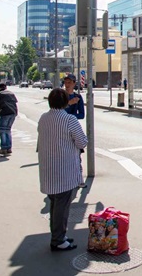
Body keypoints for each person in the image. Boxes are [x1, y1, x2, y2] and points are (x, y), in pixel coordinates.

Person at [38, 88, 88, 252]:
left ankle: (58, 235)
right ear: (66, 102)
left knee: (54, 204)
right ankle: (58, 239)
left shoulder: (43, 118)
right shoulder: (69, 119)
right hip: (64, 170)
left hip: (48, 168)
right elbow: (81, 142)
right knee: (62, 207)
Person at [62, 74, 86, 188]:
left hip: (73, 127)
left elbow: (81, 115)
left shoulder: (78, 97)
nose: (67, 85)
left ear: (74, 84)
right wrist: (69, 104)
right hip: (61, 128)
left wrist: (70, 117)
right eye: (65, 82)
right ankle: (65, 180)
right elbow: (56, 110)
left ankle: (79, 179)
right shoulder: (61, 96)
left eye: (69, 82)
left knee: (77, 154)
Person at [0, 83, 18, 156]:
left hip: (5, 113)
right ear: (6, 87)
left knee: (3, 130)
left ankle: (4, 148)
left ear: (0, 88)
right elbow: (15, 103)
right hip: (13, 113)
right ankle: (8, 148)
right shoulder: (11, 94)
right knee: (8, 130)